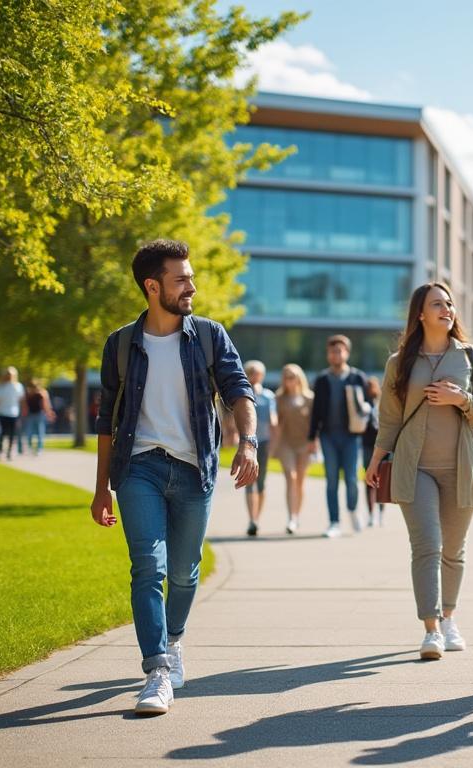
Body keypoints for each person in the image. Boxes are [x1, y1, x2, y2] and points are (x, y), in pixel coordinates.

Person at [89, 239, 258, 716]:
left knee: (185, 573)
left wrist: (248, 442)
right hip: (137, 467)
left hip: (192, 469)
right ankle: (157, 670)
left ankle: (175, 639)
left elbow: (239, 391)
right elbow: (107, 421)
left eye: (191, 277)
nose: (192, 287)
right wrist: (102, 487)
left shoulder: (207, 335)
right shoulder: (121, 344)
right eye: (181, 279)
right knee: (149, 567)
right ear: (152, 286)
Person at [365, 282, 473, 660]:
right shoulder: (399, 363)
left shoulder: (471, 356)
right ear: (420, 314)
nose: (447, 309)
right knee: (427, 546)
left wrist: (460, 399)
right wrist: (376, 461)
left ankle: (450, 617)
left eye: (450, 303)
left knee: (453, 550)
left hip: (462, 465)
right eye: (437, 304)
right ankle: (431, 628)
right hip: (414, 466)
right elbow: (389, 419)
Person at [307, 334, 370, 537]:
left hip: (351, 437)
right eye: (332, 351)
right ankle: (334, 522)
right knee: (331, 480)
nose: (336, 354)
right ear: (328, 355)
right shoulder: (322, 379)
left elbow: (368, 407)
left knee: (351, 479)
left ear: (347, 353)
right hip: (328, 436)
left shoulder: (357, 377)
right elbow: (316, 411)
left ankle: (352, 510)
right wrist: (312, 438)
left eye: (340, 350)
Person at [272, 364, 314, 534]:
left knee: (300, 481)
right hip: (285, 443)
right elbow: (276, 423)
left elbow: (314, 423)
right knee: (291, 477)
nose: (289, 380)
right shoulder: (279, 398)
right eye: (286, 377)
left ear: (299, 378)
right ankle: (291, 518)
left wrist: (314, 441)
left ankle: (297, 515)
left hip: (304, 444)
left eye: (292, 376)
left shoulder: (310, 398)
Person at [244, 361, 278, 536]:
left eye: (257, 373)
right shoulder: (243, 394)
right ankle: (252, 520)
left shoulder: (268, 396)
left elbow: (274, 420)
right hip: (248, 443)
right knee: (249, 481)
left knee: (262, 481)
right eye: (251, 373)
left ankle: (258, 516)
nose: (254, 376)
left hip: (264, 441)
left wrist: (275, 443)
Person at [361, 376, 385, 527]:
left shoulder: (383, 404)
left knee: (382, 481)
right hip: (367, 444)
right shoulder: (363, 405)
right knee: (369, 480)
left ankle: (381, 511)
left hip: (382, 445)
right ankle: (371, 513)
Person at [0, 367, 25, 460]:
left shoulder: (18, 386)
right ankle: (0, 451)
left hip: (13, 413)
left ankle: (9, 452)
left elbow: (20, 399)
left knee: (11, 434)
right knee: (2, 433)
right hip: (2, 412)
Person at [23, 379, 50, 456]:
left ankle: (39, 449)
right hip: (30, 414)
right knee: (29, 432)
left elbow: (45, 405)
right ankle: (30, 448)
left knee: (40, 432)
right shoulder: (28, 394)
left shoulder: (41, 394)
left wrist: (48, 413)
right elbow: (25, 405)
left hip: (39, 414)